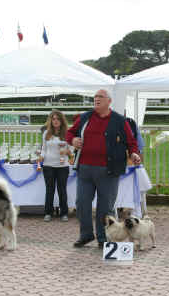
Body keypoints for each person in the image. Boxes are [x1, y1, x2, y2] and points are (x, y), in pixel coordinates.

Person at [66, 89, 140, 248]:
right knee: (81, 203)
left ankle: (103, 237)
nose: (96, 99)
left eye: (100, 97)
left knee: (105, 207)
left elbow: (131, 141)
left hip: (109, 170)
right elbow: (69, 132)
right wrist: (73, 140)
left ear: (109, 101)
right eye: (95, 97)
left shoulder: (120, 120)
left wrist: (134, 153)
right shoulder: (85, 117)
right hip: (85, 169)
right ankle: (86, 235)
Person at [40, 110, 70, 222]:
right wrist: (41, 158)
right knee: (49, 190)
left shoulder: (67, 133)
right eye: (53, 119)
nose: (55, 121)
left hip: (63, 166)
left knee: (62, 190)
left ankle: (64, 213)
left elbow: (71, 150)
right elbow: (43, 149)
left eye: (58, 119)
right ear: (50, 120)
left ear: (62, 120)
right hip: (48, 165)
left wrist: (66, 151)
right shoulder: (46, 133)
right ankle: (48, 212)